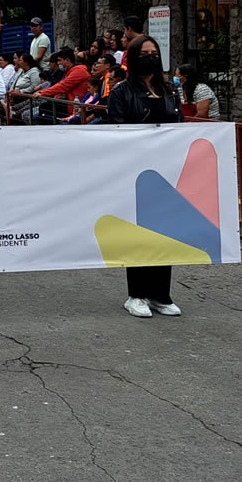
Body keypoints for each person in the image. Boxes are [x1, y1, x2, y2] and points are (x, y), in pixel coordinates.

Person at [104, 34, 183, 318]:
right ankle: (136, 294)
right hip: (135, 171)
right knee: (138, 233)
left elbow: (180, 126)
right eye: (144, 54)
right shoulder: (121, 92)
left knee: (165, 232)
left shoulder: (169, 90)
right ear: (134, 58)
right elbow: (115, 130)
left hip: (166, 170)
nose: (150, 57)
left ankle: (160, 294)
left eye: (154, 53)